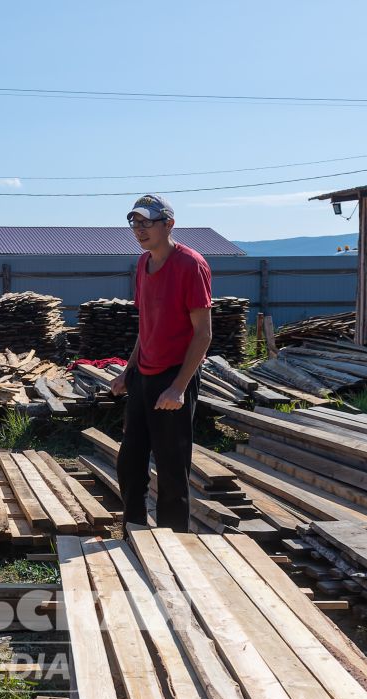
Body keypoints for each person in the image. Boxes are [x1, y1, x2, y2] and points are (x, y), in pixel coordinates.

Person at [112, 194, 213, 532]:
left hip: (174, 376)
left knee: (171, 470)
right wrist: (128, 372)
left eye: (147, 223)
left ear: (168, 224)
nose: (139, 230)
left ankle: (174, 545)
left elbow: (203, 334)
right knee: (130, 462)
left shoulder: (190, 264)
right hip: (144, 375)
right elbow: (147, 325)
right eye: (134, 223)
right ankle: (134, 530)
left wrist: (179, 388)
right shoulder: (143, 263)